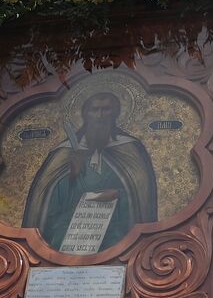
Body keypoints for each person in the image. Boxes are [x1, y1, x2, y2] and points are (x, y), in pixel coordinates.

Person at [23, 90, 159, 254]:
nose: (100, 115)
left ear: (115, 113)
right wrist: (72, 173)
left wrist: (118, 194)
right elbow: (47, 197)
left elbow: (141, 193)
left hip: (114, 227)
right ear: (85, 114)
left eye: (106, 109)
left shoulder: (130, 148)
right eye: (94, 109)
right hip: (71, 225)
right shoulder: (65, 152)